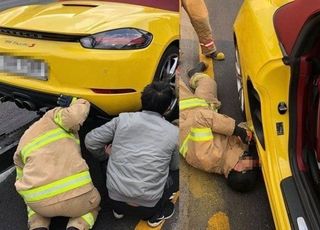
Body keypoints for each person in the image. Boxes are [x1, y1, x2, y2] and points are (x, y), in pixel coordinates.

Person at [85, 81, 179, 227]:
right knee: (179, 173)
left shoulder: (122, 119)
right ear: (167, 108)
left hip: (114, 199)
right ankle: (156, 215)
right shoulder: (174, 133)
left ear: (141, 100)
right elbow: (174, 166)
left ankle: (119, 210)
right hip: (149, 206)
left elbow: (91, 141)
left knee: (103, 158)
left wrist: (106, 156)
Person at [14, 97, 100, 230]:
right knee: (93, 205)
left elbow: (20, 177)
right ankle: (77, 226)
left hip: (41, 205)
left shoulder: (24, 139)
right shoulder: (53, 116)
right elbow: (75, 117)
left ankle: (37, 224)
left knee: (33, 204)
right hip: (77, 197)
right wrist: (78, 102)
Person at [179, 62, 259, 192]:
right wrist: (248, 133)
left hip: (186, 113)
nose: (254, 161)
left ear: (238, 168)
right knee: (209, 83)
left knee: (175, 83)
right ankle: (194, 74)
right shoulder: (235, 155)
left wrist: (236, 130)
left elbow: (200, 118)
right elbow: (244, 130)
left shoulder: (207, 157)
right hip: (205, 108)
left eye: (251, 166)